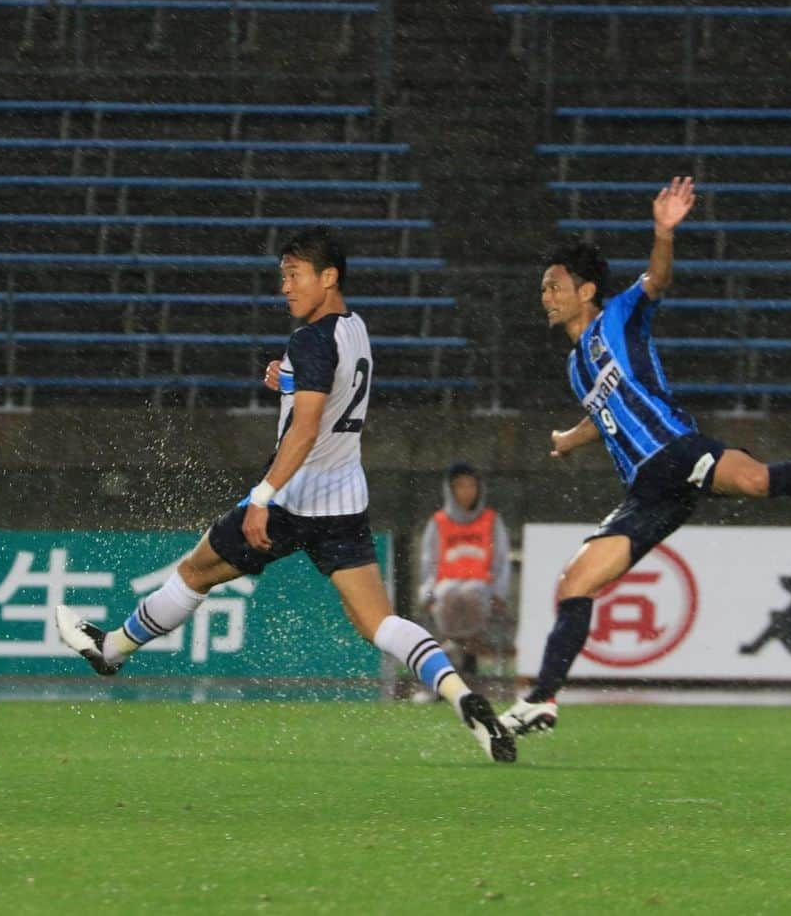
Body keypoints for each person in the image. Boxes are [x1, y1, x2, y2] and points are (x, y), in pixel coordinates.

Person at [55, 225, 515, 764]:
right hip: (344, 502)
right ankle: (462, 696)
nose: (285, 287)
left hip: (291, 502)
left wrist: (262, 495)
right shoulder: (354, 328)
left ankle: (111, 651)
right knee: (379, 623)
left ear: (328, 277)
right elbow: (334, 392)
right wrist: (292, 381)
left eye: (294, 276)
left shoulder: (310, 339)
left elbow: (305, 430)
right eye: (283, 277)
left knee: (196, 571)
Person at [499, 176, 791, 737]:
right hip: (647, 493)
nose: (545, 296)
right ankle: (542, 700)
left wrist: (663, 233)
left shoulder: (619, 315)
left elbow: (657, 279)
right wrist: (571, 439)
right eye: (543, 288)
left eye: (554, 285)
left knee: (753, 480)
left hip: (677, 450)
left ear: (585, 291)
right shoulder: (576, 366)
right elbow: (606, 414)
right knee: (573, 584)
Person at [416, 462, 511, 683]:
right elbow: (428, 561)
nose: (466, 492)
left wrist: (499, 593)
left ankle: (458, 652)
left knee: (471, 592)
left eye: (471, 486)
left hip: (481, 588)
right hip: (446, 588)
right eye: (460, 486)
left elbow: (501, 560)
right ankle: (463, 653)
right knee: (449, 594)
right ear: (450, 490)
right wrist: (427, 593)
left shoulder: (491, 520)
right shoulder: (439, 522)